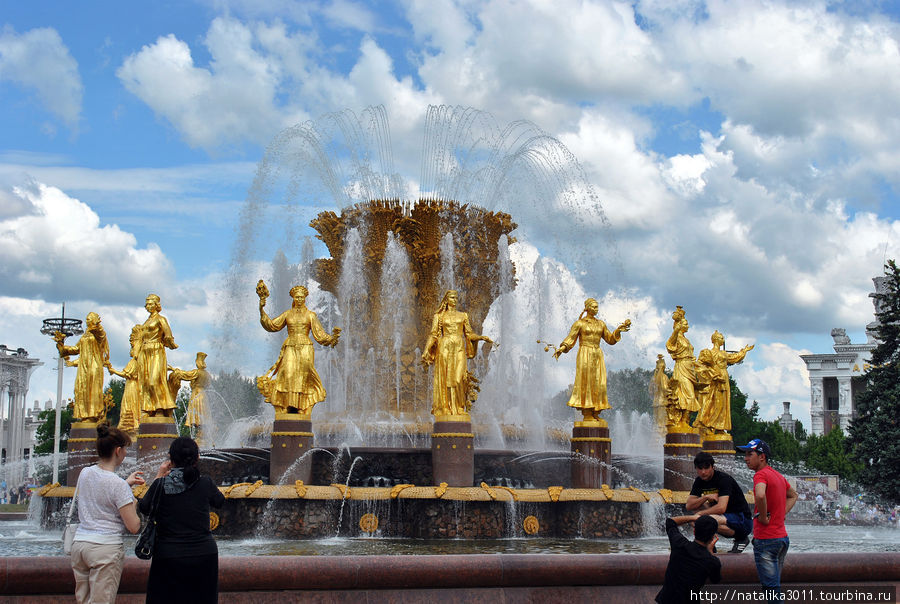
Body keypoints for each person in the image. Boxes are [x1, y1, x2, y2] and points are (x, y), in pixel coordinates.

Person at [141, 437, 225, 604]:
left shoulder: (161, 484)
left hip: (169, 555)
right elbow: (219, 502)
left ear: (170, 460)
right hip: (203, 554)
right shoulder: (205, 483)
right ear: (197, 458)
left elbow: (144, 507)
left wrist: (159, 475)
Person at [70, 424, 145, 604]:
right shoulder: (117, 485)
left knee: (83, 600)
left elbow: (101, 491)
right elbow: (134, 526)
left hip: (80, 546)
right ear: (118, 450)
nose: (126, 453)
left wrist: (125, 484)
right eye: (125, 449)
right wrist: (132, 500)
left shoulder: (85, 473)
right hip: (104, 549)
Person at [256, 282, 341, 415]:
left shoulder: (311, 315)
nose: (300, 299)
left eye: (302, 297)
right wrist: (261, 309)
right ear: (293, 298)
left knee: (305, 376)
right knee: (287, 374)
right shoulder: (288, 314)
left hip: (306, 347)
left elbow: (319, 334)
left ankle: (302, 406)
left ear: (305, 298)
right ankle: (286, 404)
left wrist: (332, 339)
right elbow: (272, 325)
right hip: (290, 346)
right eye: (297, 297)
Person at [738, 438, 798, 602]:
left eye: (750, 454)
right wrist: (780, 513)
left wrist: (764, 517)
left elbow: (759, 494)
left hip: (767, 540)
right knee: (774, 587)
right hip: (781, 539)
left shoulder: (761, 475)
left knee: (772, 592)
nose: (746, 458)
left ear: (762, 456)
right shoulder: (777, 475)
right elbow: (793, 495)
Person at [553, 298, 630, 423]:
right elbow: (570, 338)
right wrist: (561, 349)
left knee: (599, 383)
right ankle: (587, 412)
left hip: (597, 354)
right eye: (594, 307)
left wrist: (618, 331)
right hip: (585, 353)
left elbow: (610, 340)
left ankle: (596, 411)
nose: (596, 309)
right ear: (587, 308)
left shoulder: (601, 324)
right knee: (586, 382)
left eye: (597, 307)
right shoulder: (580, 323)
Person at [421, 289, 493, 418]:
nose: (455, 300)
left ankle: (459, 407)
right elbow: (434, 335)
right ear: (446, 299)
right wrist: (426, 350)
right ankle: (446, 408)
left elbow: (469, 334)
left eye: (456, 298)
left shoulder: (463, 315)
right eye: (452, 297)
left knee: (459, 378)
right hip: (445, 347)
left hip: (459, 346)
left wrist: (481, 338)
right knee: (446, 378)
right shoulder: (439, 316)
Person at [686, 452, 753, 553]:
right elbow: (689, 505)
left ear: (713, 466)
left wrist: (700, 514)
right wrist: (706, 497)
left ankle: (741, 538)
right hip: (723, 518)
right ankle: (710, 545)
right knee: (697, 517)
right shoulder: (699, 481)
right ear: (696, 468)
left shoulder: (723, 479)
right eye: (700, 468)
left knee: (701, 520)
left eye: (706, 468)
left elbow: (721, 508)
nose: (703, 472)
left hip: (742, 519)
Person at [54, 312, 111, 421]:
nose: (87, 321)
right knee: (81, 389)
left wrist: (97, 326)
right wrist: (61, 345)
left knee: (93, 389)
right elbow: (76, 349)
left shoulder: (98, 334)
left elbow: (101, 335)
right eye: (86, 319)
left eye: (89, 319)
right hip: (83, 366)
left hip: (94, 365)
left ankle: (94, 414)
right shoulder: (85, 335)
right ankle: (84, 415)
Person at [695, 331, 753, 434]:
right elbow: (699, 365)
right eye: (721, 338)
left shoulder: (724, 354)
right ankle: (706, 423)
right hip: (714, 380)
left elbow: (735, 357)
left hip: (724, 378)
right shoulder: (708, 353)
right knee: (712, 401)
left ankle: (720, 427)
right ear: (715, 339)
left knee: (723, 403)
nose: (723, 340)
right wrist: (713, 375)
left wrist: (744, 351)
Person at [656, 514, 722, 603]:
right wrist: (710, 552)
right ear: (712, 537)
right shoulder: (712, 561)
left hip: (667, 600)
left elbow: (670, 522)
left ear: (694, 531)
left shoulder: (679, 544)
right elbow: (715, 580)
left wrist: (693, 517)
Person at [140, 294, 178, 417]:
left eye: (151, 304)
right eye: (147, 304)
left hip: (156, 350)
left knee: (154, 380)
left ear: (157, 305)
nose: (148, 306)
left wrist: (171, 343)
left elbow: (168, 334)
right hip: (145, 352)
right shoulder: (147, 321)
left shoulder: (161, 319)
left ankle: (161, 408)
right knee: (146, 381)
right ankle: (150, 409)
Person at [108, 325, 144, 435]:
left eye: (132, 346)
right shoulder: (136, 361)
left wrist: (113, 371)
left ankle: (134, 423)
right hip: (132, 385)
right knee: (131, 405)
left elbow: (126, 374)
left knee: (131, 405)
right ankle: (132, 424)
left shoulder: (134, 362)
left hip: (132, 387)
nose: (131, 349)